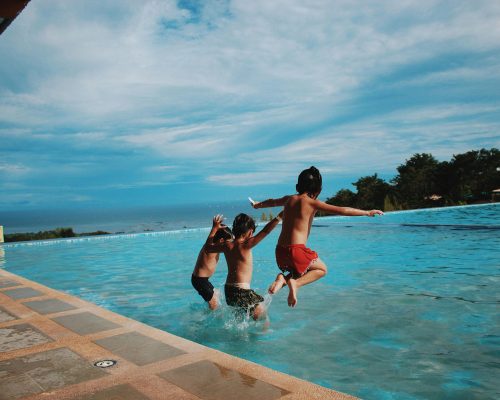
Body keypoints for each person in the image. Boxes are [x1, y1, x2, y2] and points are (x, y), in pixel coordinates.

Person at [250, 166, 384, 308]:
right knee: (321, 269)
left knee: (299, 270)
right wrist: (367, 212)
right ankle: (295, 283)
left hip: (280, 251)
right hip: (297, 250)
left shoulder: (288, 199)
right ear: (318, 191)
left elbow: (271, 202)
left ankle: (282, 279)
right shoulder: (312, 203)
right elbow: (343, 210)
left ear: (297, 186)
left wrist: (257, 205)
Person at [205, 211, 283, 320]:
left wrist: (214, 229)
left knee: (240, 317)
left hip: (229, 291)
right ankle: (263, 335)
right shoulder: (246, 245)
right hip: (242, 291)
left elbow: (208, 248)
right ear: (250, 232)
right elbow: (266, 231)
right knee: (262, 316)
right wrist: (279, 217)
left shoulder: (227, 245)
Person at [191, 215, 233, 310]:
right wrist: (214, 228)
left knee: (217, 295)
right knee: (214, 304)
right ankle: (206, 321)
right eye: (228, 242)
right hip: (199, 280)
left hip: (203, 280)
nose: (229, 245)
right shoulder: (210, 248)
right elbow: (210, 239)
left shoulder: (217, 247)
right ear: (221, 240)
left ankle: (208, 310)